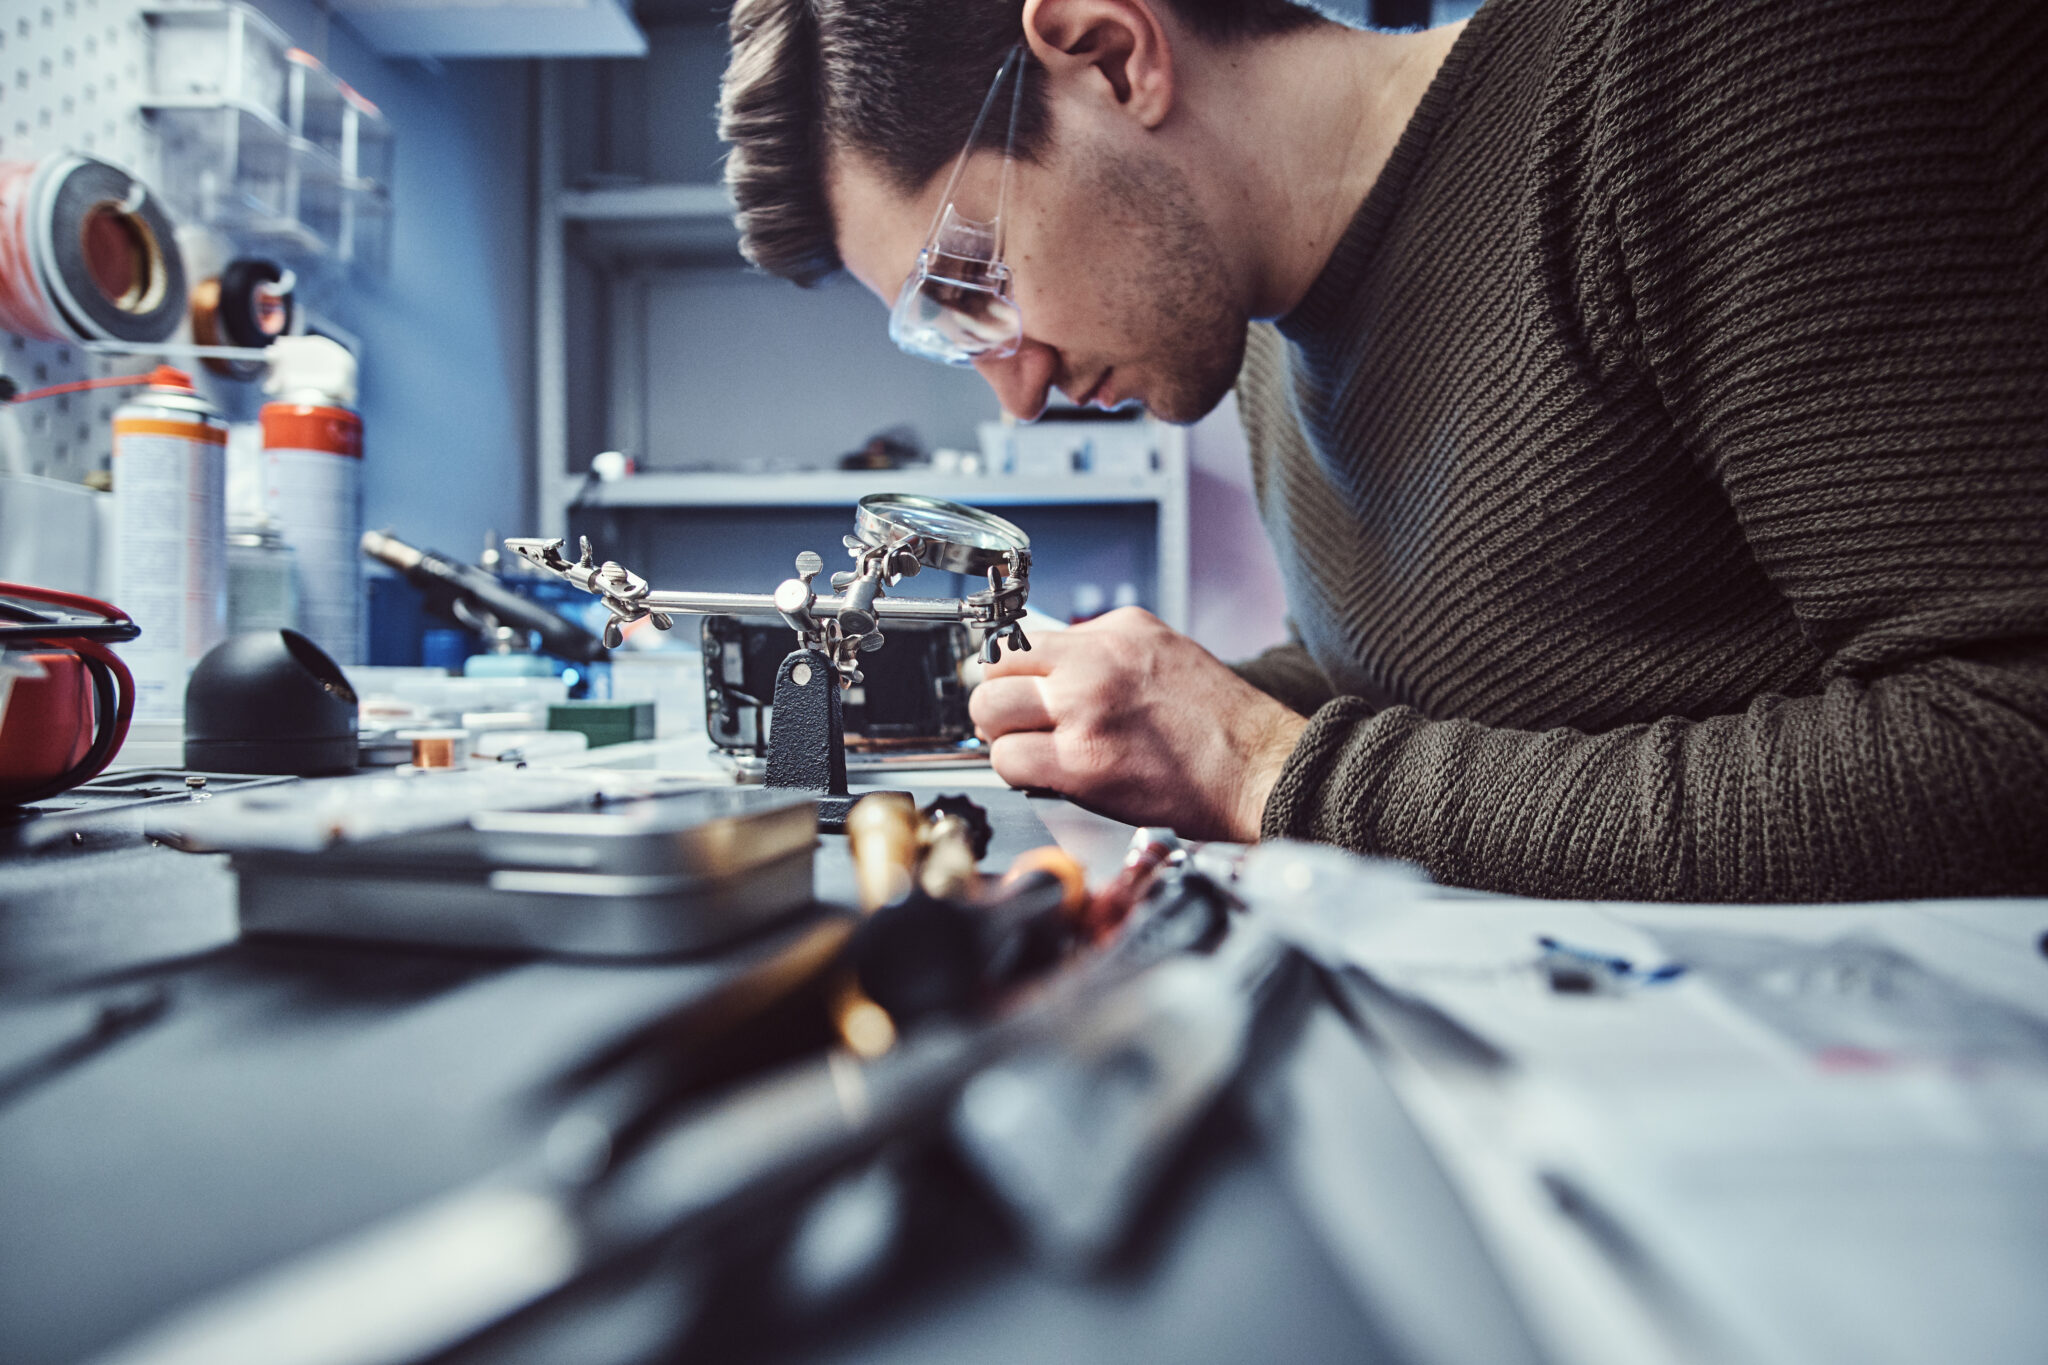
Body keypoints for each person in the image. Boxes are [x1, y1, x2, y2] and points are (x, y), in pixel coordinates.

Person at [717, 0, 2048, 901]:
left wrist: (1261, 766)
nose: (1014, 396)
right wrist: (1155, 720)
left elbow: (2006, 736)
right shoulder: (1267, 362)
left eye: (972, 286)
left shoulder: (1701, 67)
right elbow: (1437, 681)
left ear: (1113, 52)